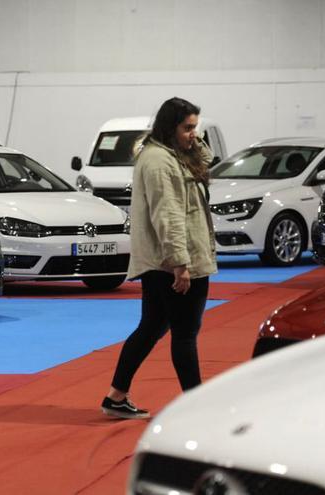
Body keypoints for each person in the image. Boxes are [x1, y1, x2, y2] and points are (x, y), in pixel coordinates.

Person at [101, 97, 217, 419]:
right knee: (185, 333)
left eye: (196, 127)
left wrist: (192, 141)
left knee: (152, 326)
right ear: (170, 127)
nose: (194, 134)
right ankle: (196, 406)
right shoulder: (159, 161)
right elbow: (167, 215)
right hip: (174, 261)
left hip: (164, 260)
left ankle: (116, 396)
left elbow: (207, 160)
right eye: (188, 128)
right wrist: (180, 263)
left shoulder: (171, 155)